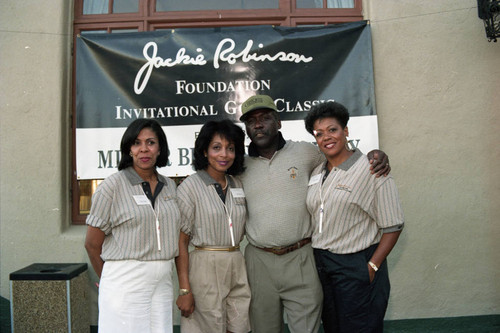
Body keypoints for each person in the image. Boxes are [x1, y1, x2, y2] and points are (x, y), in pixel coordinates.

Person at [238, 95, 391, 333]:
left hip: (302, 256)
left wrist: (376, 154)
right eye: (251, 121)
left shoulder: (306, 152)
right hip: (259, 261)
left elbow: (341, 159)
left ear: (278, 122)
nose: (258, 124)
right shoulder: (240, 166)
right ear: (246, 128)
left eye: (265, 118)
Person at [304, 101, 404, 333]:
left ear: (346, 131)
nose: (326, 137)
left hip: (356, 264)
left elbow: (394, 226)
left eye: (333, 129)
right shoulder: (318, 172)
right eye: (319, 134)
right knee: (333, 327)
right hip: (323, 265)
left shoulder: (372, 170)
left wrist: (372, 266)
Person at [84, 118, 180, 333]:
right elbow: (92, 245)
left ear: (160, 148)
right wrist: (109, 280)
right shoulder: (112, 186)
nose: (144, 149)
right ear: (129, 149)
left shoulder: (170, 186)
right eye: (136, 143)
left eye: (151, 142)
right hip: (126, 280)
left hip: (163, 278)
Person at [175, 119, 251, 333]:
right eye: (216, 147)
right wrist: (184, 289)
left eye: (230, 149)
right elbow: (181, 241)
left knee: (239, 325)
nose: (224, 154)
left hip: (236, 261)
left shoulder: (237, 184)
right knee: (208, 326)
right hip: (204, 265)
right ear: (205, 151)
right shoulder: (190, 186)